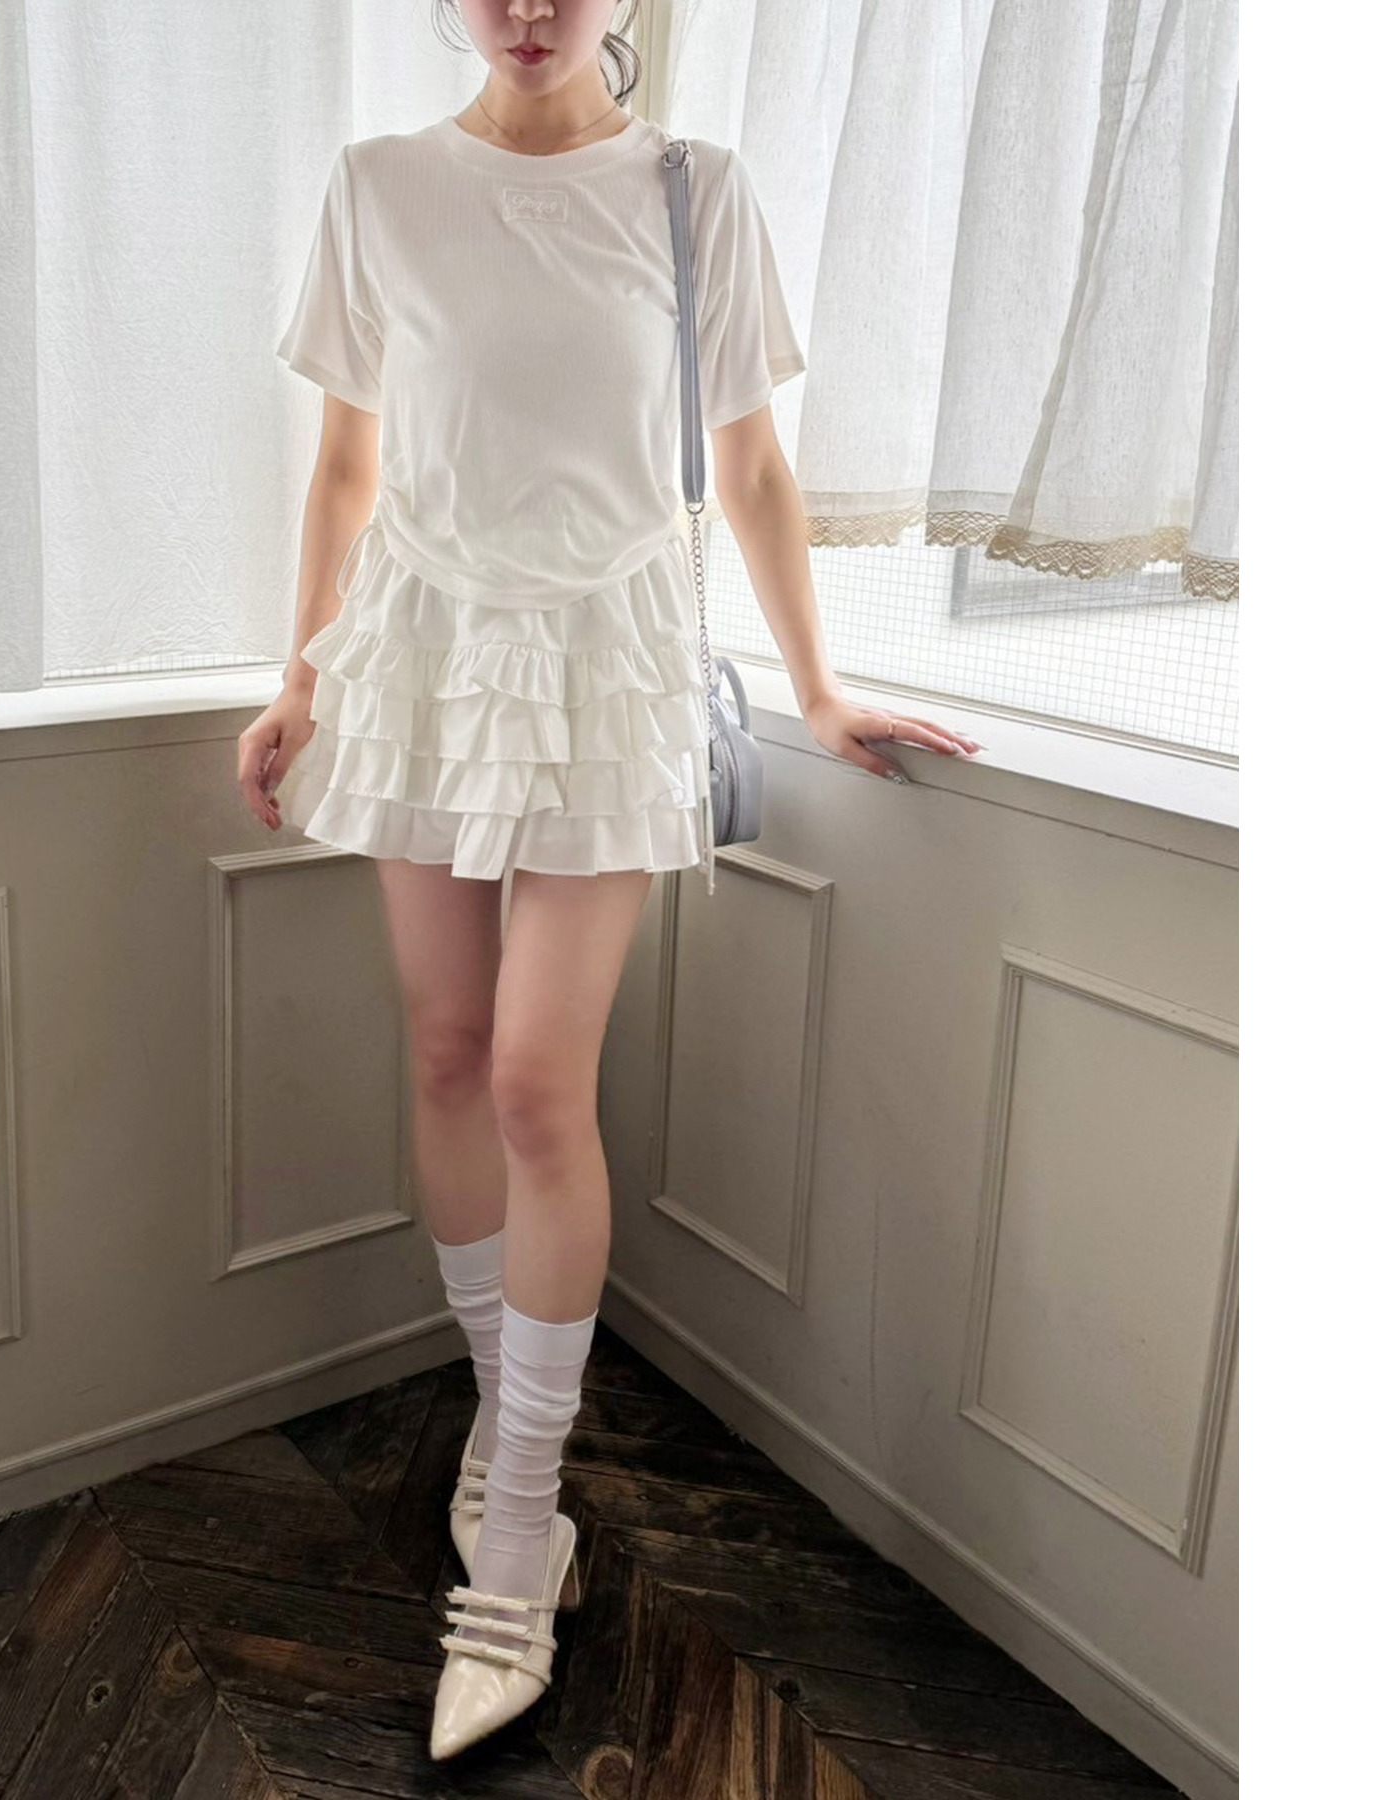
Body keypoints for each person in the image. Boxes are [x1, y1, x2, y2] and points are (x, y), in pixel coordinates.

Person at [237, 0, 982, 1761]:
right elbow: (346, 460)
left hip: (613, 662)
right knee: (444, 1054)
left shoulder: (694, 190)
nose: (526, 10)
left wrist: (815, 691)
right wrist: (300, 678)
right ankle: (509, 1446)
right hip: (418, 651)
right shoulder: (377, 185)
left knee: (530, 1080)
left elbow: (752, 464)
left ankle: (515, 1538)